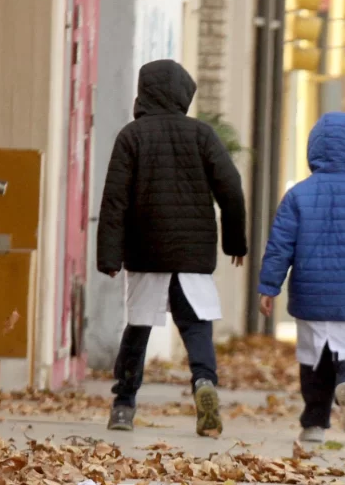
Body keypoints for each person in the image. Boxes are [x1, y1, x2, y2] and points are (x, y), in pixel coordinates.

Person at [97, 59, 247, 435]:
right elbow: (231, 189)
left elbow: (115, 200)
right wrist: (235, 241)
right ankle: (204, 384)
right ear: (184, 94)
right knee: (196, 327)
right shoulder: (202, 135)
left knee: (139, 327)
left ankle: (123, 405)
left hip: (146, 251)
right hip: (193, 254)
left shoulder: (132, 136)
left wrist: (109, 255)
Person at [258, 111, 345, 444]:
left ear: (314, 148)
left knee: (313, 360)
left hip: (310, 295)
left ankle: (314, 422)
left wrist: (269, 286)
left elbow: (280, 245)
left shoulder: (297, 195)